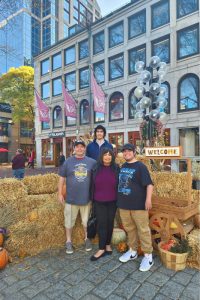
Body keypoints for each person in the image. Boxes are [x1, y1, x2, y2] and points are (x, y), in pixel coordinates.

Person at [117, 143, 154, 272]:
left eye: (129, 151)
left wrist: (148, 199)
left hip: (138, 204)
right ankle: (132, 250)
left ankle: (148, 256)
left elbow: (149, 184)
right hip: (123, 204)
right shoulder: (123, 166)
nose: (126, 153)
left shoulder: (141, 167)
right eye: (124, 151)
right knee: (129, 228)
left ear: (134, 152)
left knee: (143, 229)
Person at [58, 140, 96, 254]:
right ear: (74, 149)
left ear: (85, 149)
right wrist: (59, 193)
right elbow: (61, 178)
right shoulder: (67, 162)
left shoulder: (92, 162)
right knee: (69, 221)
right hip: (71, 198)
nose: (79, 149)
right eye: (77, 147)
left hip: (86, 198)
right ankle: (68, 241)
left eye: (82, 147)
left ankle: (87, 238)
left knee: (86, 222)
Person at [90, 148, 119, 261]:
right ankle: (101, 248)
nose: (107, 157)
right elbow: (91, 185)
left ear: (112, 157)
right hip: (99, 201)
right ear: (101, 156)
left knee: (110, 223)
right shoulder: (96, 168)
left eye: (109, 155)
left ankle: (107, 244)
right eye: (105, 155)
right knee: (102, 224)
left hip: (113, 201)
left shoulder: (116, 168)